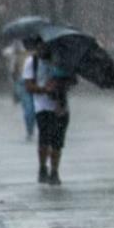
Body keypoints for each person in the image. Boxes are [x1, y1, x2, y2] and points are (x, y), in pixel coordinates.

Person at [22, 40, 75, 186]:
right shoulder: (31, 62)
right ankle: (42, 167)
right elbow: (28, 86)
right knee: (44, 139)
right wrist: (45, 89)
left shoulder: (62, 60)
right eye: (40, 46)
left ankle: (55, 171)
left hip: (61, 106)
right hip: (42, 107)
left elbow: (72, 81)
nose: (43, 49)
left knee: (57, 142)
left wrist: (61, 85)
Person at [14, 39, 37, 141]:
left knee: (35, 109)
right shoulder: (20, 56)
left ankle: (32, 129)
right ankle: (29, 130)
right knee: (28, 110)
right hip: (24, 84)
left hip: (37, 84)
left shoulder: (41, 54)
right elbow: (15, 70)